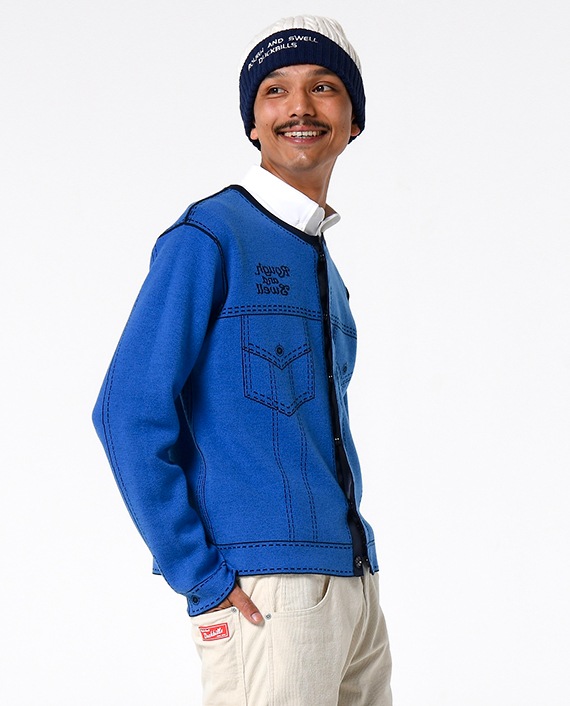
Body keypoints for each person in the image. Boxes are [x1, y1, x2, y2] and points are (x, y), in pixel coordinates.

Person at [93, 15, 392, 705]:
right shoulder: (210, 236)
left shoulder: (323, 265)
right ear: (253, 124)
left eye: (324, 87)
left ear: (353, 120)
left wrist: (358, 579)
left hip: (353, 583)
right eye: (274, 91)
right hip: (268, 592)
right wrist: (200, 575)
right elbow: (127, 411)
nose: (299, 107)